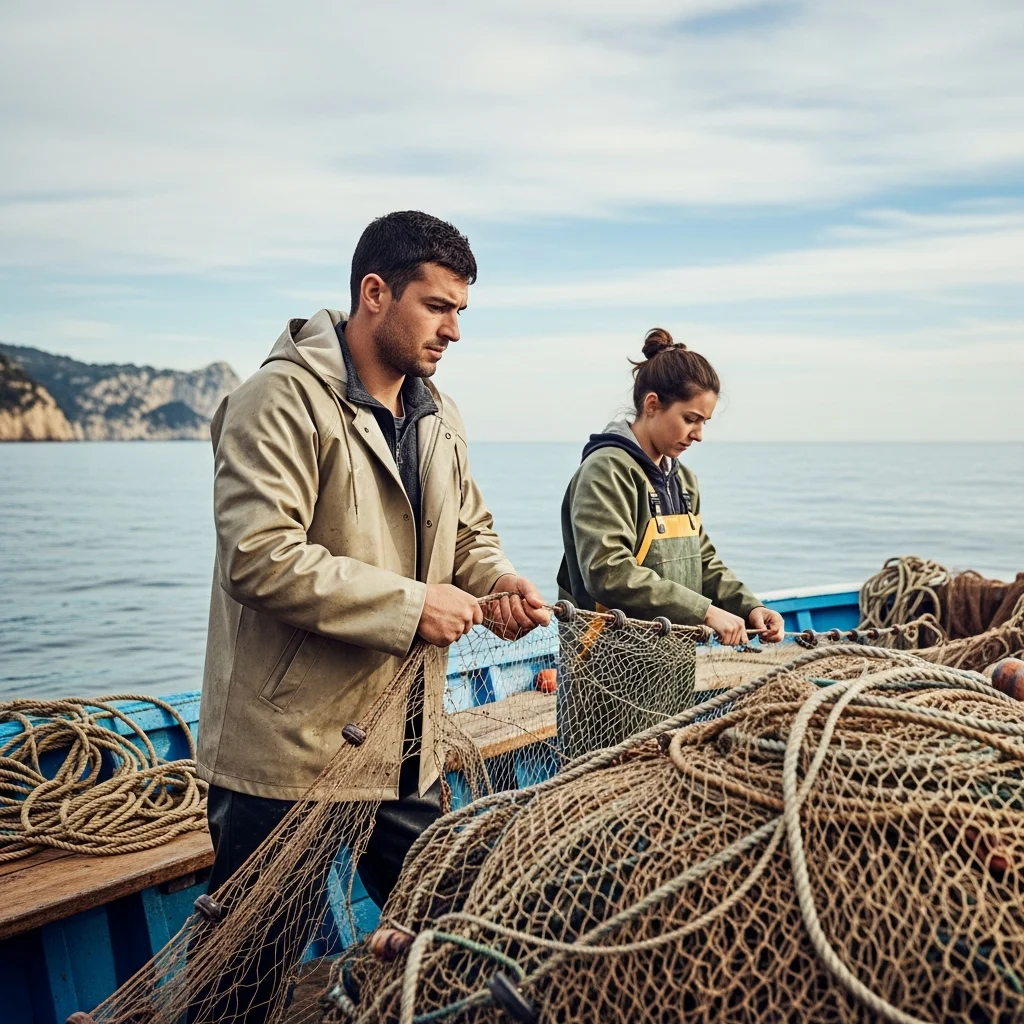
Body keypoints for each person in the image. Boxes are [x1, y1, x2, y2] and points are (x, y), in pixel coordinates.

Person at [194, 210, 549, 1021]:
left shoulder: (440, 413)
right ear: (375, 293)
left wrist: (498, 582)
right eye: (438, 306)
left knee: (455, 940)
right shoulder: (276, 400)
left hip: (404, 743)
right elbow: (258, 556)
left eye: (461, 310)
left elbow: (469, 534)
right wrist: (415, 605)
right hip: (288, 754)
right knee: (240, 988)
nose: (454, 330)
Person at [555, 328, 784, 755]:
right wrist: (705, 612)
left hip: (670, 675)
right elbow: (608, 572)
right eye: (690, 419)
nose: (698, 434)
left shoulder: (683, 480)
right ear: (652, 404)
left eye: (704, 423)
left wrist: (749, 607)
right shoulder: (606, 471)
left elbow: (704, 561)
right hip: (608, 678)